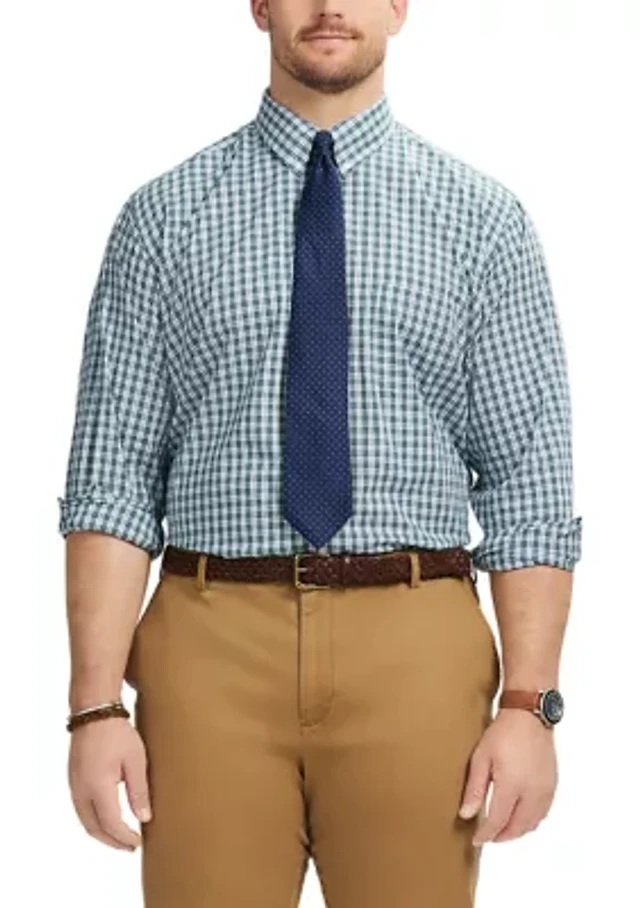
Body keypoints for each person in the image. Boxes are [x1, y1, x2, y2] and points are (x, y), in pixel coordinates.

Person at [59, 2, 582, 906]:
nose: (331, 5)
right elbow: (112, 481)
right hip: (209, 646)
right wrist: (95, 706)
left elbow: (527, 483)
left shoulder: (482, 222)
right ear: (259, 5)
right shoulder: (163, 220)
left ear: (399, 7)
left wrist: (530, 705)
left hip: (416, 648)